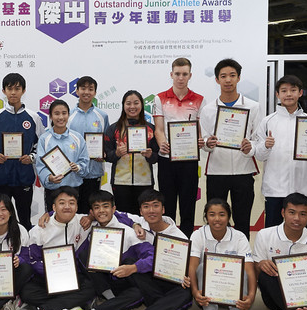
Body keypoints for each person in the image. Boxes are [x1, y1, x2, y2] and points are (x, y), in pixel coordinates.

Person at [56, 190, 147, 310]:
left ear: (113, 209)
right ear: (92, 212)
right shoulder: (92, 230)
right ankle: (116, 304)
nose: (101, 211)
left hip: (125, 282)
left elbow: (149, 256)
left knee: (138, 293)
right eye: (97, 208)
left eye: (105, 206)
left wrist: (133, 268)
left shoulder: (129, 232)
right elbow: (62, 213)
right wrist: (48, 214)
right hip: (104, 284)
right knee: (83, 255)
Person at [113, 189, 193, 310]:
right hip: (149, 276)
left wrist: (186, 277)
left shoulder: (178, 236)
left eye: (155, 206)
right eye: (146, 206)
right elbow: (116, 213)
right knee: (130, 263)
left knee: (185, 293)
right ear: (141, 211)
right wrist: (135, 224)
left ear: (163, 209)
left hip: (168, 279)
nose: (151, 211)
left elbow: (187, 263)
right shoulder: (141, 221)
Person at [12, 186, 96, 310]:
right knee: (28, 292)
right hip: (47, 278)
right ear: (54, 206)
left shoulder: (83, 222)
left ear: (77, 206)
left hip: (73, 277)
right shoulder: (40, 229)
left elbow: (109, 214)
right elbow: (32, 260)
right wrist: (52, 273)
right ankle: (75, 304)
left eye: (71, 203)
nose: (67, 207)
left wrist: (91, 216)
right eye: (62, 203)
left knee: (92, 286)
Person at [199, 59, 261, 238]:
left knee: (242, 220)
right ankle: (214, 257)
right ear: (217, 80)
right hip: (216, 172)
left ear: (239, 78)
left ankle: (242, 260)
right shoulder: (209, 109)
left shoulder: (253, 107)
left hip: (244, 171)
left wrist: (250, 147)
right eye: (223, 76)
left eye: (232, 76)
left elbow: (258, 139)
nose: (228, 80)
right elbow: (203, 139)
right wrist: (208, 144)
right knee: (215, 221)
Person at [254, 75, 307, 228]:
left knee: (299, 235)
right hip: (274, 190)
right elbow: (259, 155)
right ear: (277, 94)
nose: (288, 94)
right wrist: (266, 146)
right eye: (284, 90)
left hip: (303, 189)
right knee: (272, 235)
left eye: (293, 90)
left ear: (300, 93)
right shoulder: (268, 121)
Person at [188, 198, 256, 310]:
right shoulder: (198, 235)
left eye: (222, 214)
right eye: (212, 214)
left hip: (232, 288)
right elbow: (191, 267)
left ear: (228, 217)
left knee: (241, 270)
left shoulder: (239, 237)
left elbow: (250, 270)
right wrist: (195, 292)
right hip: (209, 288)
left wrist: (251, 296)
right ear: (205, 217)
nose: (217, 219)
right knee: (203, 267)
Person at [152, 57, 206, 237]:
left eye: (184, 74)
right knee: (167, 206)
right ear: (171, 74)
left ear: (190, 75)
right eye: (177, 74)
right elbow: (159, 129)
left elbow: (200, 131)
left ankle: (188, 244)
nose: (180, 78)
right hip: (167, 160)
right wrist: (162, 144)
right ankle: (168, 245)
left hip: (189, 160)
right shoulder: (160, 98)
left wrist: (200, 140)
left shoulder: (199, 99)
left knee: (188, 205)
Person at [0, 73, 43, 230]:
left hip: (24, 177)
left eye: (17, 88)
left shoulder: (34, 118)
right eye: (9, 88)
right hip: (1, 177)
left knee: (25, 219)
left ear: (23, 91)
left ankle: (26, 252)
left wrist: (32, 157)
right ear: (3, 91)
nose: (13, 92)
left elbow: (42, 145)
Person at [103, 90, 158, 214]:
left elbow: (157, 156)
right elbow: (107, 155)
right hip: (120, 181)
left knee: (144, 217)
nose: (132, 107)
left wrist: (150, 155)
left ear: (142, 105)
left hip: (145, 181)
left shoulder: (151, 129)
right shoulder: (114, 129)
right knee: (123, 216)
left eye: (136, 103)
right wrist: (116, 154)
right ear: (123, 106)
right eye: (128, 103)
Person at [36, 99, 89, 213]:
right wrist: (49, 178)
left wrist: (78, 167)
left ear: (68, 115)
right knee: (52, 224)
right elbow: (40, 165)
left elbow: (84, 160)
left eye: (64, 113)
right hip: (53, 190)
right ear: (50, 116)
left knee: (74, 225)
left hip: (74, 188)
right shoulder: (44, 139)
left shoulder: (77, 137)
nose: (61, 117)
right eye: (56, 113)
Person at [67, 76, 110, 214]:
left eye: (90, 89)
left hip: (93, 172)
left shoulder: (102, 116)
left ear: (95, 93)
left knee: (91, 212)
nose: (87, 92)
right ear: (77, 91)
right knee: (72, 212)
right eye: (83, 88)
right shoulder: (68, 115)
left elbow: (107, 142)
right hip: (73, 173)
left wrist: (104, 154)